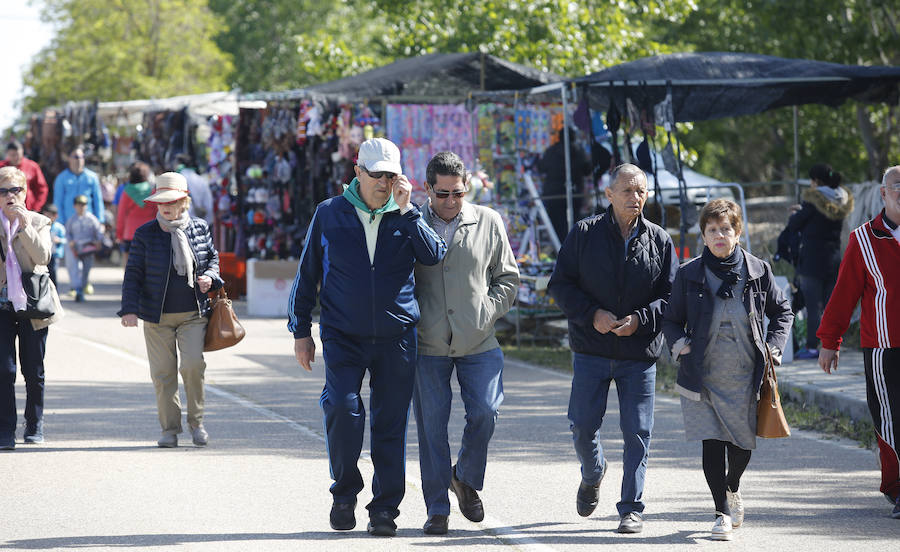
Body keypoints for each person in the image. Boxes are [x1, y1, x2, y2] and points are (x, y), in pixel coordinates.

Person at [288, 138, 446, 537]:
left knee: (390, 424)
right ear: (357, 172)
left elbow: (434, 255)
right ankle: (344, 493)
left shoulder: (407, 216)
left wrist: (409, 211)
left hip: (397, 336)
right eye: (376, 174)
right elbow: (307, 274)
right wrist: (301, 331)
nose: (383, 182)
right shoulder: (330, 213)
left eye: (391, 175)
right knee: (342, 408)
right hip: (343, 334)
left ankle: (384, 509)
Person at [548, 163, 678, 534]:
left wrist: (641, 319)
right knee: (582, 426)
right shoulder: (584, 234)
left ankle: (631, 508)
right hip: (591, 349)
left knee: (638, 430)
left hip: (638, 355)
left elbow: (672, 297)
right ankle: (593, 472)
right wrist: (593, 315)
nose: (635, 197)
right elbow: (560, 285)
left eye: (641, 191)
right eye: (627, 191)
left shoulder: (660, 240)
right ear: (609, 194)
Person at [662, 199, 793, 540]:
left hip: (745, 374)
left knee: (741, 445)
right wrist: (681, 347)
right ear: (703, 236)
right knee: (711, 442)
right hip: (701, 374)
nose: (719, 235)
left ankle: (732, 486)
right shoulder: (689, 274)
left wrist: (774, 348)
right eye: (712, 230)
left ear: (738, 233)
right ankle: (720, 511)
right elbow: (671, 320)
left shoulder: (758, 270)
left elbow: (783, 312)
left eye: (726, 229)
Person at [411, 152, 519, 535]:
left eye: (458, 193)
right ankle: (437, 507)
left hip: (479, 340)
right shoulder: (410, 222)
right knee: (432, 427)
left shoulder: (487, 220)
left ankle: (466, 478)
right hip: (427, 343)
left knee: (487, 412)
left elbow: (507, 277)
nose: (451, 202)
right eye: (442, 194)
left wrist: (485, 312)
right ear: (427, 189)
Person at [817, 165, 900, 520]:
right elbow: (844, 294)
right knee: (891, 420)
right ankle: (898, 488)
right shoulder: (864, 239)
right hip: (884, 347)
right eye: (898, 186)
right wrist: (829, 340)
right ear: (884, 193)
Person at [118, 172, 223, 448]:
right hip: (157, 316)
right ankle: (169, 430)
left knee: (192, 366)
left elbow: (213, 257)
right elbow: (133, 274)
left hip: (193, 315)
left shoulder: (199, 228)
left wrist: (210, 276)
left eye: (172, 200)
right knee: (163, 374)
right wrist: (129, 309)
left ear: (184, 201)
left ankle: (197, 423)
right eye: (161, 201)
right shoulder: (145, 234)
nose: (165, 206)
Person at [0, 167, 64, 450]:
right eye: (3, 191)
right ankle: (5, 430)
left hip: (34, 304)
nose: (10, 196)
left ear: (25, 193)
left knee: (33, 369)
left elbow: (42, 256)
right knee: (4, 370)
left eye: (16, 190)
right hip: (2, 303)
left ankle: (34, 423)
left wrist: (24, 226)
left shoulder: (39, 222)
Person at [776, 163, 853, 359]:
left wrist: (796, 212)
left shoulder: (813, 200)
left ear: (816, 181)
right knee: (830, 305)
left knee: (813, 306)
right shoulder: (840, 200)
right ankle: (834, 344)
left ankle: (811, 347)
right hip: (834, 258)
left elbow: (795, 224)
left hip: (812, 261)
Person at [54, 146, 105, 295]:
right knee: (71, 258)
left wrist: (100, 221)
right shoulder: (61, 178)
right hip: (69, 225)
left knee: (87, 256)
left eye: (81, 157)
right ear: (69, 159)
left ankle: (85, 281)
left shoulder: (92, 177)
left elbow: (98, 200)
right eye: (75, 157)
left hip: (88, 225)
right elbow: (58, 201)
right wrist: (60, 224)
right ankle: (74, 286)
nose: (78, 160)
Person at [537, 128, 592, 243]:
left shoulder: (551, 151)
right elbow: (587, 170)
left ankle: (561, 248)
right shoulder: (579, 151)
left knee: (557, 226)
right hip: (574, 192)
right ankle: (573, 247)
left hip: (553, 194)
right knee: (574, 223)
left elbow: (541, 168)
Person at [116, 162, 157, 266]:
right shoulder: (152, 192)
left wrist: (119, 235)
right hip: (150, 233)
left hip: (129, 234)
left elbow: (121, 215)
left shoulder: (126, 192)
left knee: (129, 265)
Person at [65, 195, 103, 303]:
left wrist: (98, 241)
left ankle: (82, 287)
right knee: (75, 270)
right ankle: (78, 291)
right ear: (75, 206)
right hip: (76, 249)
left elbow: (99, 232)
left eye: (84, 204)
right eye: (79, 205)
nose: (81, 207)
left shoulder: (91, 219)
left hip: (88, 248)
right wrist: (70, 241)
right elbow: (67, 233)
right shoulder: (72, 220)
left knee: (85, 271)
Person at [0, 140, 48, 212]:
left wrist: (36, 207)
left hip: (28, 209)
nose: (15, 158)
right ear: (7, 154)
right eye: (12, 155)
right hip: (4, 210)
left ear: (22, 152)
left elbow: (42, 188)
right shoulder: (1, 167)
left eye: (17, 155)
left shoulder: (32, 166)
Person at [176, 154, 214, 226]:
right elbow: (209, 205)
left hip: (182, 224)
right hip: (200, 223)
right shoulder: (201, 180)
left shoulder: (176, 180)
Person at [41, 204, 66, 286]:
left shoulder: (59, 227)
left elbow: (65, 239)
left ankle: (54, 291)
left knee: (53, 273)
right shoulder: (41, 226)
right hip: (44, 254)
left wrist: (59, 240)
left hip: (54, 253)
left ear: (55, 216)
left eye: (49, 215)